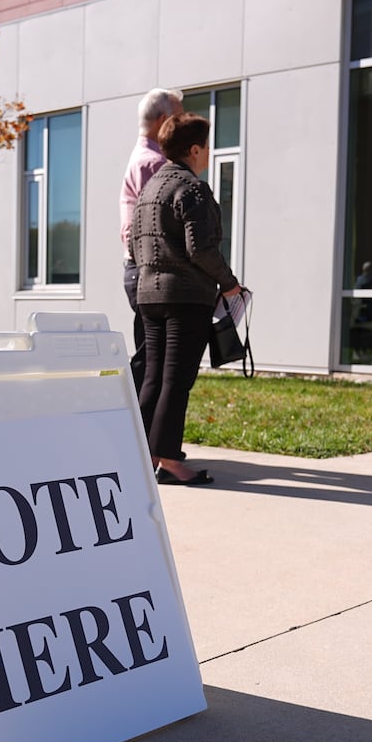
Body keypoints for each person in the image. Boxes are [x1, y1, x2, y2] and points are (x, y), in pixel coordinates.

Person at [129, 112, 241, 486]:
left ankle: (143, 455)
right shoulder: (192, 189)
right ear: (194, 149)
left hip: (149, 295)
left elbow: (133, 241)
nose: (209, 153)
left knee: (153, 379)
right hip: (185, 298)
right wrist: (229, 285)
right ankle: (171, 462)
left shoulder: (149, 189)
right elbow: (202, 250)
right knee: (176, 380)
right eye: (207, 146)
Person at [119, 89, 184, 393]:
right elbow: (161, 228)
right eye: (179, 115)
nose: (183, 121)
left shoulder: (145, 159)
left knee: (151, 363)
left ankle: (140, 434)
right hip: (149, 274)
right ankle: (137, 434)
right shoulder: (154, 165)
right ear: (163, 121)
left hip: (142, 272)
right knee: (152, 367)